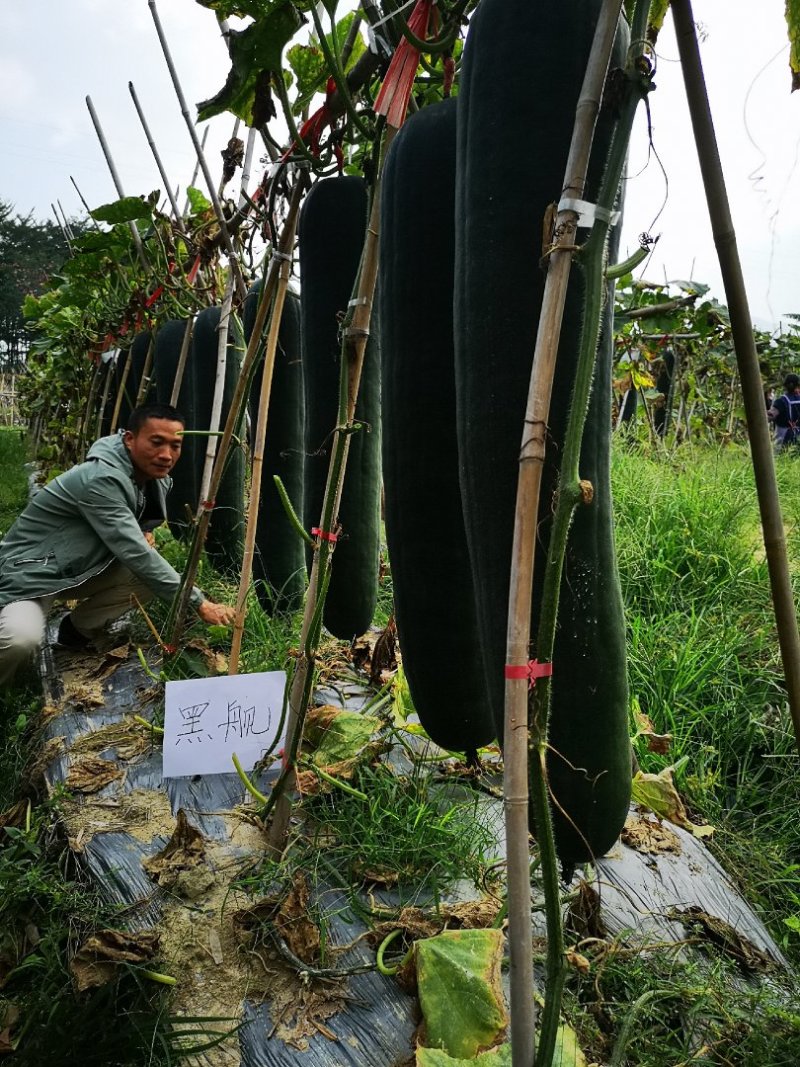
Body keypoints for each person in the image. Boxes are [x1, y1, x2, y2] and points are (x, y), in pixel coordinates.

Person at [0, 403, 236, 685]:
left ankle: (77, 631)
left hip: (74, 567)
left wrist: (141, 531)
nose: (166, 455)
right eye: (157, 442)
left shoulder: (147, 476)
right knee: (20, 638)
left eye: (176, 445)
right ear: (129, 439)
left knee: (147, 576)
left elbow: (140, 524)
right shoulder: (101, 479)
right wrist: (199, 603)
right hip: (32, 575)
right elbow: (135, 552)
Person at [768, 373, 800, 452]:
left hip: (782, 437)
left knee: (781, 459)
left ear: (785, 386)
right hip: (798, 436)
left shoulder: (780, 401)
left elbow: (771, 415)